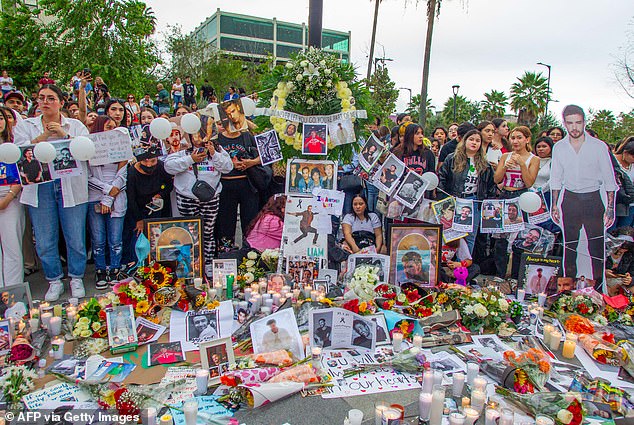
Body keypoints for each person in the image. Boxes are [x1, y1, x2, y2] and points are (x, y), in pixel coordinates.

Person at [13, 84, 90, 301]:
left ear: (61, 102)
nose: (45, 102)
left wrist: (64, 134)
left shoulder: (75, 125)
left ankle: (76, 277)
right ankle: (54, 279)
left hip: (70, 186)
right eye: (41, 98)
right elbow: (19, 152)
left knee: (75, 237)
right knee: (45, 239)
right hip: (40, 187)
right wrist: (44, 135)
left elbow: (88, 152)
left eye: (50, 98)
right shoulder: (26, 126)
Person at [551, 105, 617, 283]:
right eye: (570, 123)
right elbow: (556, 178)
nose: (574, 127)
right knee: (569, 247)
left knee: (595, 247)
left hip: (593, 199)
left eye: (578, 123)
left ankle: (597, 288)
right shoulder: (559, 147)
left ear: (584, 122)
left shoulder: (599, 146)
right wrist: (554, 204)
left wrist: (610, 208)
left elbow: (609, 179)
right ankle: (568, 287)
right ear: (564, 123)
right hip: (570, 199)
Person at [165, 132, 233, 278]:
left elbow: (228, 167)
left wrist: (214, 154)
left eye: (202, 136)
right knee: (188, 234)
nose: (199, 139)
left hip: (210, 198)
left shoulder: (219, 151)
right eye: (195, 136)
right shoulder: (182, 152)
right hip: (187, 198)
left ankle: (208, 265)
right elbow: (169, 167)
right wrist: (191, 159)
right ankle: (189, 265)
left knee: (207, 233)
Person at [438, 129, 496, 252]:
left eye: (478, 140)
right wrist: (444, 199)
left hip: (473, 202)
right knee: (449, 234)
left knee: (470, 236)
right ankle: (446, 263)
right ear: (464, 141)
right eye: (471, 139)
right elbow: (441, 178)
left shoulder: (485, 164)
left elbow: (491, 185)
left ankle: (463, 265)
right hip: (454, 200)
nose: (474, 143)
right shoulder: (452, 158)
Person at [87, 116, 127, 289]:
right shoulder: (89, 148)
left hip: (117, 196)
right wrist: (105, 193)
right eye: (108, 126)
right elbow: (88, 176)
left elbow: (123, 175)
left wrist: (110, 197)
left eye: (114, 126)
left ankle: (115, 269)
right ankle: (101, 270)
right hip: (95, 196)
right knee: (98, 240)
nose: (111, 130)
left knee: (116, 240)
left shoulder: (122, 148)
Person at [122, 146, 173, 267]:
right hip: (137, 209)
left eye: (152, 161)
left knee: (156, 236)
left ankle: (156, 262)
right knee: (137, 238)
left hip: (156, 208)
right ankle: (135, 263)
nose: (149, 165)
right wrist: (138, 220)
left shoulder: (160, 167)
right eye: (145, 161)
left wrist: (160, 194)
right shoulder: (132, 174)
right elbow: (131, 199)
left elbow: (169, 184)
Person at [215, 121, 260, 250]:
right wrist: (230, 164)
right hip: (225, 185)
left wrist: (251, 162)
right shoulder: (217, 139)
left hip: (248, 184)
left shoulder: (247, 136)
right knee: (226, 223)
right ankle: (226, 253)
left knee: (250, 222)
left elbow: (266, 154)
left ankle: (250, 254)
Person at [0, 107, 23, 287]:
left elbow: (22, 174)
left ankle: (14, 296)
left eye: (1, 118)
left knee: (12, 248)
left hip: (10, 199)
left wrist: (8, 197)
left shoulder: (15, 144)